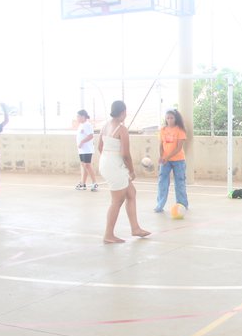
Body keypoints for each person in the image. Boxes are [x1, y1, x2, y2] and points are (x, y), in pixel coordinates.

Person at [98, 101, 150, 243]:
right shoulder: (122, 129)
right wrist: (132, 171)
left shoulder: (105, 126)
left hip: (105, 162)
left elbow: (100, 147)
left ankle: (135, 228)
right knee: (117, 200)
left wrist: (109, 159)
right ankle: (108, 235)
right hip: (115, 166)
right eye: (125, 112)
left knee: (131, 193)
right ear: (122, 112)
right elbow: (126, 155)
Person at [154, 109, 188, 213]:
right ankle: (160, 205)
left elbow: (178, 148)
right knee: (162, 182)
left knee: (180, 182)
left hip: (178, 160)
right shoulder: (162, 130)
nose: (169, 120)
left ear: (175, 118)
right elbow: (161, 145)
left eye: (171, 118)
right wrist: (161, 156)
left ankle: (182, 205)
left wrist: (167, 157)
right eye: (167, 118)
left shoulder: (180, 130)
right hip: (165, 161)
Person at [75, 109, 98, 192]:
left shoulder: (87, 125)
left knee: (87, 165)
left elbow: (91, 136)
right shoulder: (81, 125)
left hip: (87, 149)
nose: (77, 118)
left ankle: (94, 183)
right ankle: (83, 184)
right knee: (83, 165)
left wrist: (82, 142)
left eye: (78, 116)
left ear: (83, 116)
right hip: (82, 150)